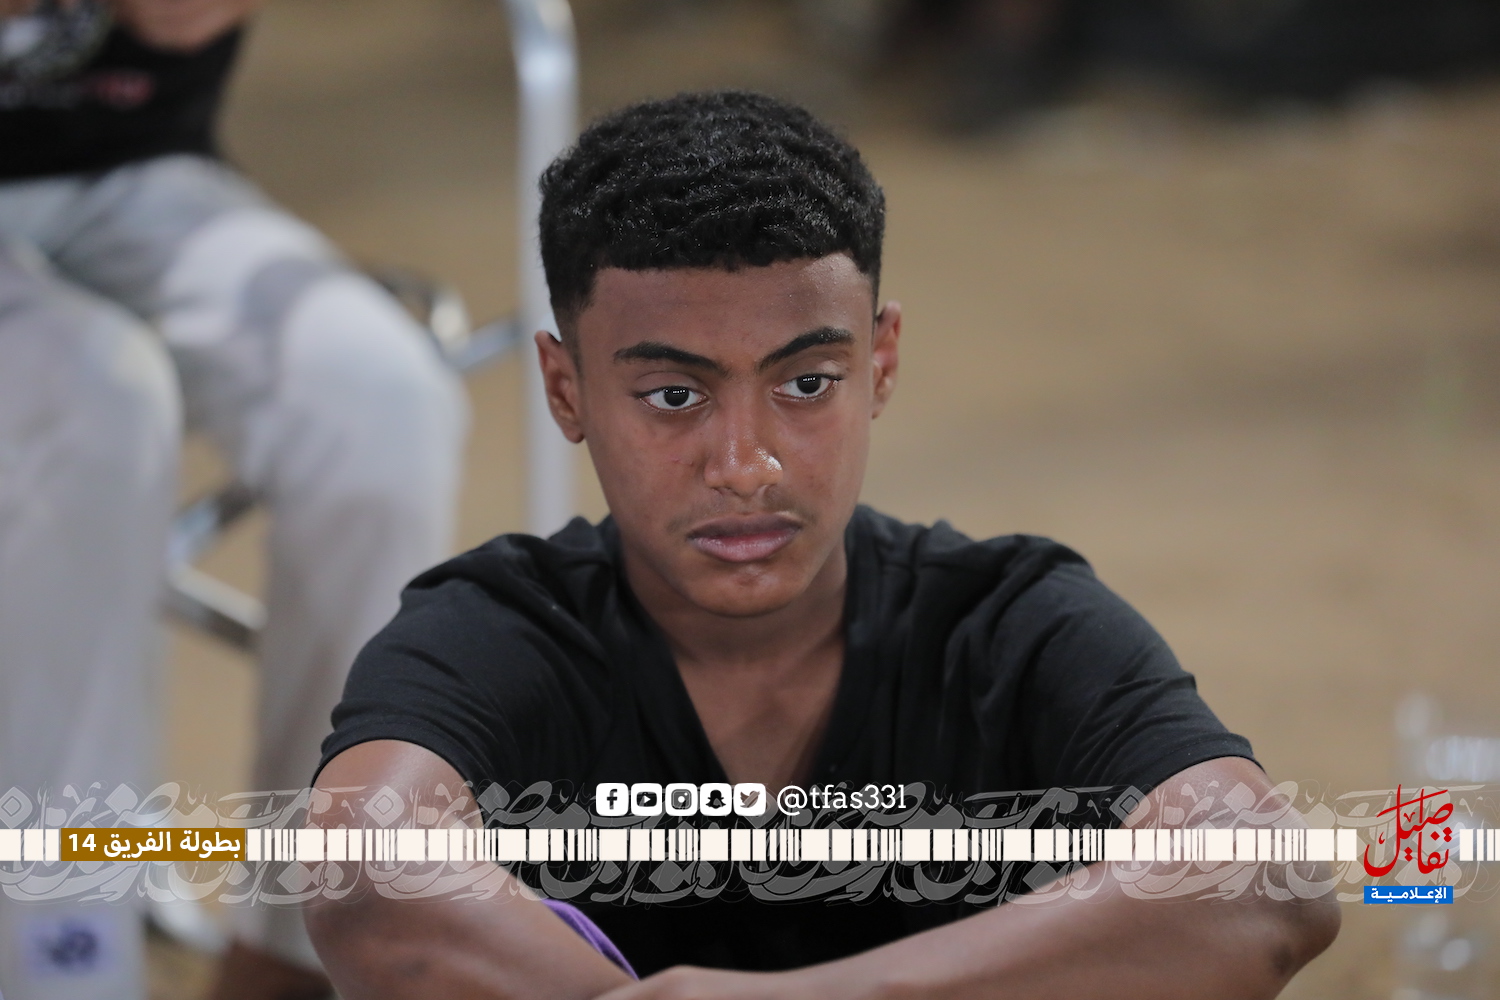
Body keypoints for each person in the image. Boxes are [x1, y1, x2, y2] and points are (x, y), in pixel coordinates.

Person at [306, 90, 1340, 998]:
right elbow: (361, 872)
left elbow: (1265, 885)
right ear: (566, 389)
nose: (745, 465)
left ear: (879, 362)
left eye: (805, 383)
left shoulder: (1009, 625)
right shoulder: (497, 631)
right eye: (673, 395)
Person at [0, 1, 468, 998]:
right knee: (94, 406)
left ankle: (303, 942)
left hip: (127, 165)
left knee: (381, 400)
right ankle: (63, 960)